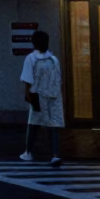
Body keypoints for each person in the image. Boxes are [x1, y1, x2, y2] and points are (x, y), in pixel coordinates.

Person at [19, 30, 64, 166]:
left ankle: (28, 152)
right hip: (53, 97)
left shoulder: (31, 58)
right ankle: (55, 154)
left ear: (33, 43)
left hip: (37, 96)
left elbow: (28, 80)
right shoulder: (54, 59)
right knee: (53, 126)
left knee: (33, 124)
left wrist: (27, 95)